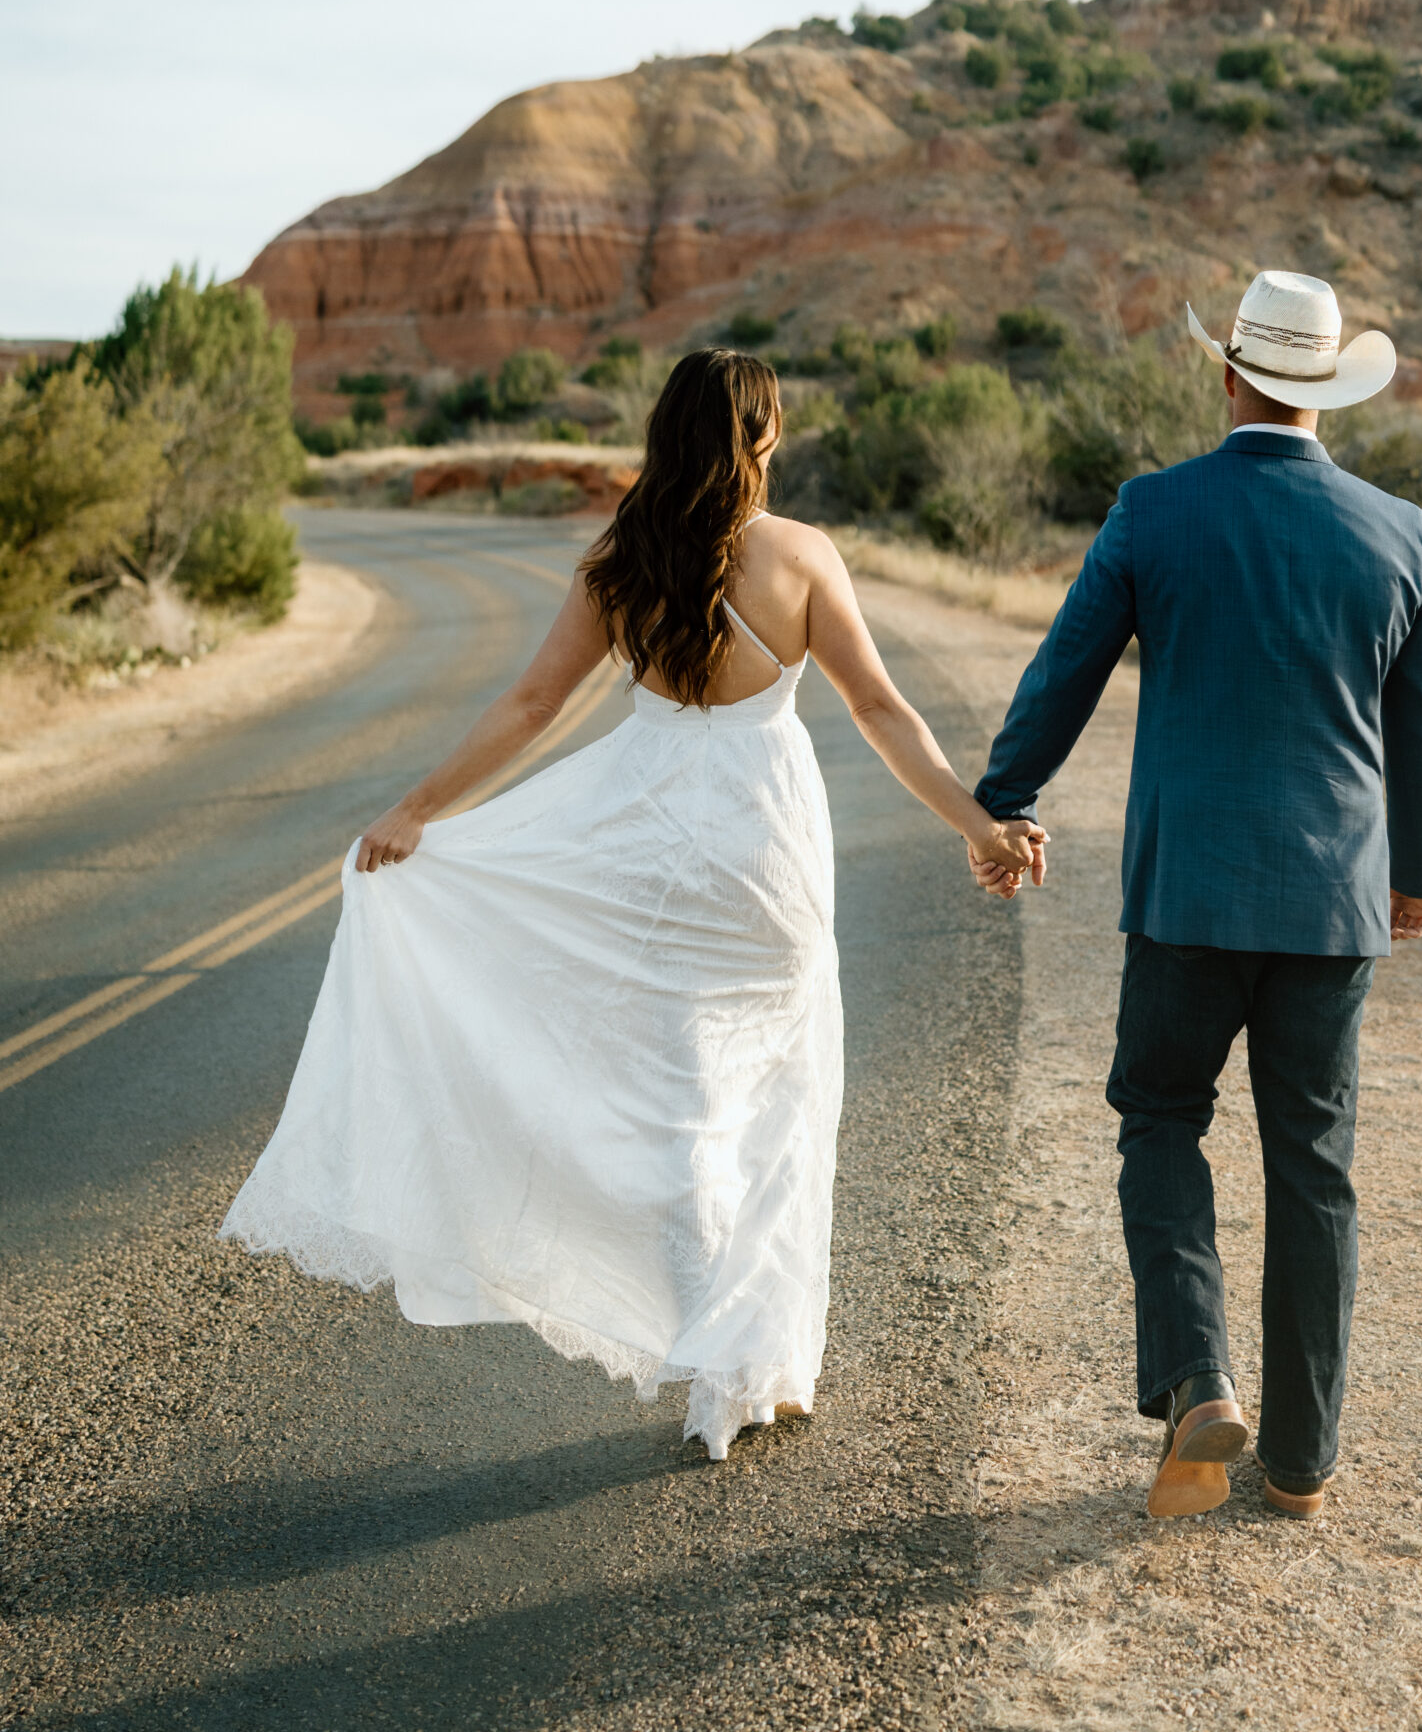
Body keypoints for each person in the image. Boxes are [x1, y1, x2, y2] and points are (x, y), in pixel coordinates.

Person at [222, 348, 1042, 1461]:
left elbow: (530, 705)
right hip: (766, 853)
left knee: (680, 1111)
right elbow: (882, 709)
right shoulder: (801, 557)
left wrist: (416, 809)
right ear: (755, 438)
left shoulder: (623, 560)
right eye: (776, 428)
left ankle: (719, 1354)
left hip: (652, 845)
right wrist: (975, 821)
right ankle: (763, 1360)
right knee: (782, 1102)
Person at [967, 271, 1422, 1520]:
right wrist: (1415, 874)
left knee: (1161, 1118)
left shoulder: (1155, 512)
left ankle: (1197, 1379)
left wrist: (1003, 800)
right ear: (1322, 389)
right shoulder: (1397, 532)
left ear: (1229, 373)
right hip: (1332, 910)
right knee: (1315, 1167)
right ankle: (1298, 1464)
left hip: (1185, 898)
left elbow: (1065, 670)